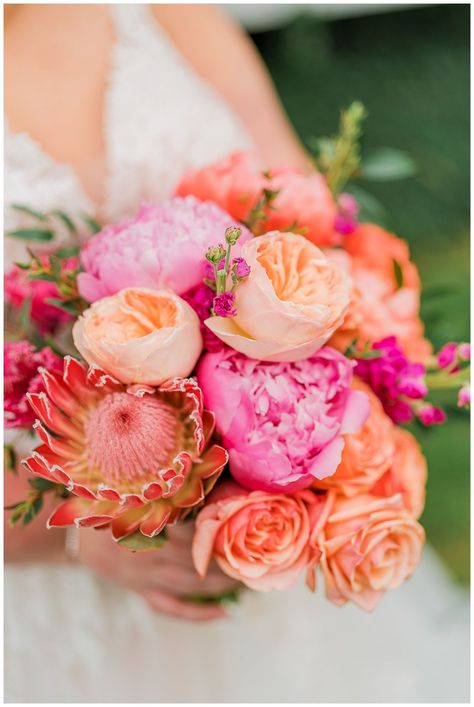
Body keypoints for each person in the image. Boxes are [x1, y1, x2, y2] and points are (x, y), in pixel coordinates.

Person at [4, 5, 469, 703]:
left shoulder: (164, 10)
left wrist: (300, 419)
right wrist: (76, 534)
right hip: (49, 595)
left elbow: (313, 228)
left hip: (264, 547)